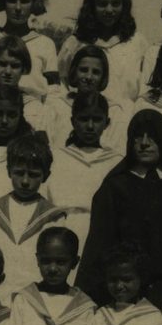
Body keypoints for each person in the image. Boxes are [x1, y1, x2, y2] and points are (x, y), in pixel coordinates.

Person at [75, 110, 162, 309]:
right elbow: (99, 247)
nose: (144, 143)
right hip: (121, 294)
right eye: (137, 137)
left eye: (152, 136)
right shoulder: (114, 188)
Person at [0, 133, 70, 300]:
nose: (25, 181)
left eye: (33, 174)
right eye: (19, 173)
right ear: (9, 171)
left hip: (36, 298)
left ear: (46, 175)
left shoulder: (53, 217)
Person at [57, 0, 151, 106]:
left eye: (115, 3)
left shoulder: (138, 42)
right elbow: (62, 84)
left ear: (124, 5)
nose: (109, 10)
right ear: (92, 6)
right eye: (102, 4)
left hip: (127, 114)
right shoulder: (74, 44)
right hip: (86, 115)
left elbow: (146, 87)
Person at [44, 92, 124, 246]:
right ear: (72, 121)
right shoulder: (56, 157)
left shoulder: (116, 161)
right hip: (62, 232)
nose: (90, 126)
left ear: (107, 123)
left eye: (97, 120)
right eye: (83, 119)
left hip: (103, 233)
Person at [44, 45, 129, 152]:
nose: (89, 77)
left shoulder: (114, 111)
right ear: (74, 72)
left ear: (103, 76)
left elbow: (116, 150)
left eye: (96, 72)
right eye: (83, 70)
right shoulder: (57, 106)